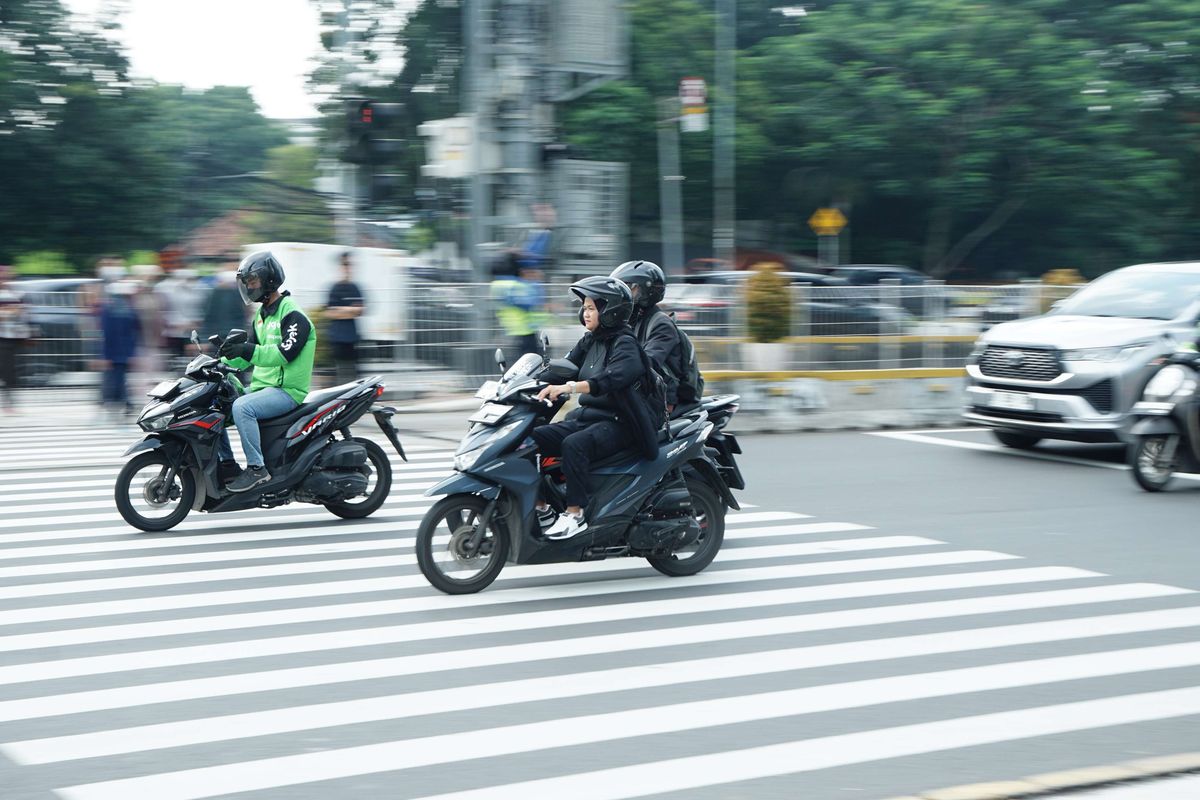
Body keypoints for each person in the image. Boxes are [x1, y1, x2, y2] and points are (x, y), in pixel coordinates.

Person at [531, 276, 662, 540]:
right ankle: (542, 507)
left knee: (574, 445)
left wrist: (570, 388)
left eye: (591, 307)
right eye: (585, 307)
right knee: (531, 439)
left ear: (609, 310)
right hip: (591, 419)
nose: (585, 313)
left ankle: (575, 513)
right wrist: (522, 384)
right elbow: (562, 369)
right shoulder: (591, 341)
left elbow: (615, 377)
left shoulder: (625, 343)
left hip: (621, 423)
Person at [214, 251, 316, 493]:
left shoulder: (292, 314)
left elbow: (283, 354)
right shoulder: (261, 315)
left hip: (286, 391)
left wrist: (247, 350)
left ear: (269, 279)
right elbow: (248, 356)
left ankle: (257, 469)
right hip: (263, 389)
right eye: (247, 282)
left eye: (253, 281)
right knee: (216, 403)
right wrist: (219, 361)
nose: (249, 287)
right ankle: (227, 465)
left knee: (242, 407)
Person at [610, 260, 684, 411]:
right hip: (635, 393)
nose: (622, 294)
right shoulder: (631, 322)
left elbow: (646, 363)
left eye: (630, 288)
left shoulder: (661, 325)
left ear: (646, 290)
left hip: (661, 400)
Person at [98, 279, 142, 418]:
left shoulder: (108, 310)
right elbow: (136, 330)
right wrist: (132, 352)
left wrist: (106, 355)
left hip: (113, 350)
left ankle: (123, 401)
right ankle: (119, 400)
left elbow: (106, 333)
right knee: (119, 377)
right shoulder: (129, 310)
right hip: (126, 350)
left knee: (117, 378)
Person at [324, 251, 366, 386]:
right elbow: (329, 313)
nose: (348, 268)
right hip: (336, 337)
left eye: (350, 265)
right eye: (345, 264)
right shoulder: (334, 289)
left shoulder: (355, 288)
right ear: (340, 267)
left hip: (352, 336)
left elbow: (360, 310)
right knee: (336, 375)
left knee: (356, 375)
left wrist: (341, 310)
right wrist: (350, 310)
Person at [0, 266, 31, 413]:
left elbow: (23, 313)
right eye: (2, 277)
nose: (5, 280)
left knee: (9, 371)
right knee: (6, 370)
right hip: (3, 337)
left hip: (12, 337)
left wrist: (10, 312)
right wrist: (11, 312)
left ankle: (9, 403)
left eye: (7, 277)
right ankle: (9, 403)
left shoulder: (16, 293)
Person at [202, 266, 249, 343]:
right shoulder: (237, 293)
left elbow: (209, 316)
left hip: (221, 334)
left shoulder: (216, 293)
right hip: (234, 333)